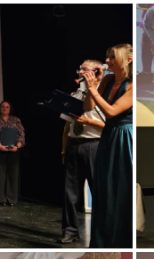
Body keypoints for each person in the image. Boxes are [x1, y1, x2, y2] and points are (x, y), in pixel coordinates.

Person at [81, 44, 134, 249]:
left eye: (112, 57)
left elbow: (112, 111)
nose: (108, 61)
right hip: (109, 136)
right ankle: (102, 240)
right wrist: (89, 87)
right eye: (107, 57)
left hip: (123, 137)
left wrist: (94, 88)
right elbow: (89, 108)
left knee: (121, 188)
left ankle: (121, 239)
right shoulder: (109, 80)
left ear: (127, 59)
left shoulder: (132, 85)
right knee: (104, 189)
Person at [62, 60, 106, 244]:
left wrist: (87, 121)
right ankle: (70, 231)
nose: (79, 71)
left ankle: (102, 232)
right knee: (69, 192)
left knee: (99, 192)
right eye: (79, 68)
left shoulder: (104, 94)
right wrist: (64, 149)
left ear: (96, 72)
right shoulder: (75, 94)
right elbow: (66, 125)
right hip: (74, 144)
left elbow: (109, 125)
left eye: (84, 69)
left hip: (94, 145)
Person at [0, 100, 26, 206]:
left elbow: (21, 134)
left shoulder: (16, 120)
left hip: (13, 150)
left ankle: (12, 199)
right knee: (0, 175)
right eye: (3, 107)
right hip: (0, 150)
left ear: (10, 109)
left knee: (13, 175)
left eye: (7, 107)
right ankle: (1, 198)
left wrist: (18, 145)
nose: (5, 108)